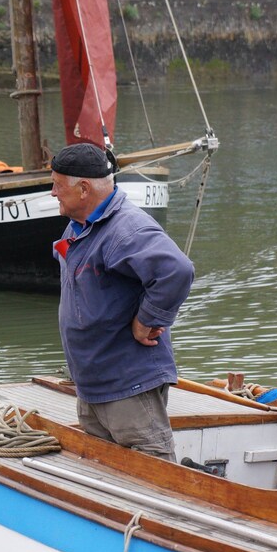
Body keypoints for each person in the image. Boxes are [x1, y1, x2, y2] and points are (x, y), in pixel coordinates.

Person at [51, 143, 195, 462]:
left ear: (84, 188)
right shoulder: (81, 225)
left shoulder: (126, 230)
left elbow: (177, 270)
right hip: (93, 384)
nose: (52, 193)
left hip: (127, 386)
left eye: (58, 185)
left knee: (152, 472)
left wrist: (148, 319)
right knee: (106, 471)